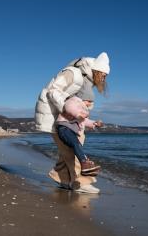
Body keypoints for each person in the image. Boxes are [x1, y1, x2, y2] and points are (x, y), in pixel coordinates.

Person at [35, 52, 110, 194]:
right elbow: (53, 91)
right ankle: (82, 182)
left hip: (72, 121)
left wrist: (87, 120)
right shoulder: (73, 73)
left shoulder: (87, 80)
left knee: (71, 148)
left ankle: (61, 178)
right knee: (71, 149)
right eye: (104, 74)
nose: (104, 78)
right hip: (58, 117)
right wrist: (68, 110)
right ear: (97, 70)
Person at [56, 86, 103, 176]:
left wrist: (94, 123)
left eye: (92, 102)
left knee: (76, 145)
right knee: (76, 144)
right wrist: (78, 115)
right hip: (64, 128)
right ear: (82, 98)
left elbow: (84, 121)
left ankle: (86, 165)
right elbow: (69, 108)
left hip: (69, 130)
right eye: (89, 101)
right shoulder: (73, 102)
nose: (90, 104)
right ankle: (84, 163)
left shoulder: (81, 108)